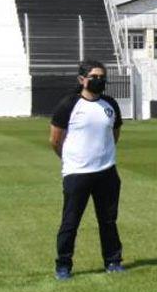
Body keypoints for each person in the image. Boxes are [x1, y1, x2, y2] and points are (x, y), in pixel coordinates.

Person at [49, 60, 125, 279]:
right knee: (70, 222)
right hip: (77, 173)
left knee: (108, 221)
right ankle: (63, 265)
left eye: (102, 77)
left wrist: (104, 156)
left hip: (107, 172)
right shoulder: (69, 105)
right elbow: (55, 139)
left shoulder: (110, 104)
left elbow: (115, 133)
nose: (99, 80)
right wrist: (71, 161)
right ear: (82, 79)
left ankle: (113, 261)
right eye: (94, 77)